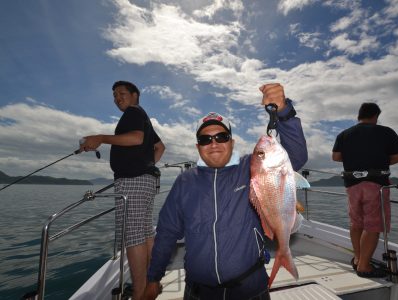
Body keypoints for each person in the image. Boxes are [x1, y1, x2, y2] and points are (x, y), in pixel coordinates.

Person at [143, 83, 307, 300]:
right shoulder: (185, 182)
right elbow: (166, 232)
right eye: (205, 139)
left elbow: (295, 156)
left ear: (232, 142)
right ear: (197, 147)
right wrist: (153, 278)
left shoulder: (253, 168)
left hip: (250, 289)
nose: (213, 143)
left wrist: (284, 112)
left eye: (221, 137)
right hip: (198, 293)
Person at [79, 80, 165, 300]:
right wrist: (147, 165)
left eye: (122, 93)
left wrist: (100, 138)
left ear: (135, 95)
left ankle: (139, 292)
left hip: (132, 181)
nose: (117, 98)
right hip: (145, 180)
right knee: (145, 232)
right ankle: (149, 282)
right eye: (114, 95)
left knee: (133, 237)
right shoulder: (143, 116)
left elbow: (136, 139)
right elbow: (159, 147)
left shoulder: (133, 113)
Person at [332, 102, 398, 278]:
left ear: (359, 115)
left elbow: (336, 157)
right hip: (376, 183)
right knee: (373, 225)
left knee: (356, 222)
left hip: (352, 185)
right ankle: (364, 267)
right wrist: (378, 160)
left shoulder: (344, 134)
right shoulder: (386, 132)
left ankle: (358, 258)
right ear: (376, 116)